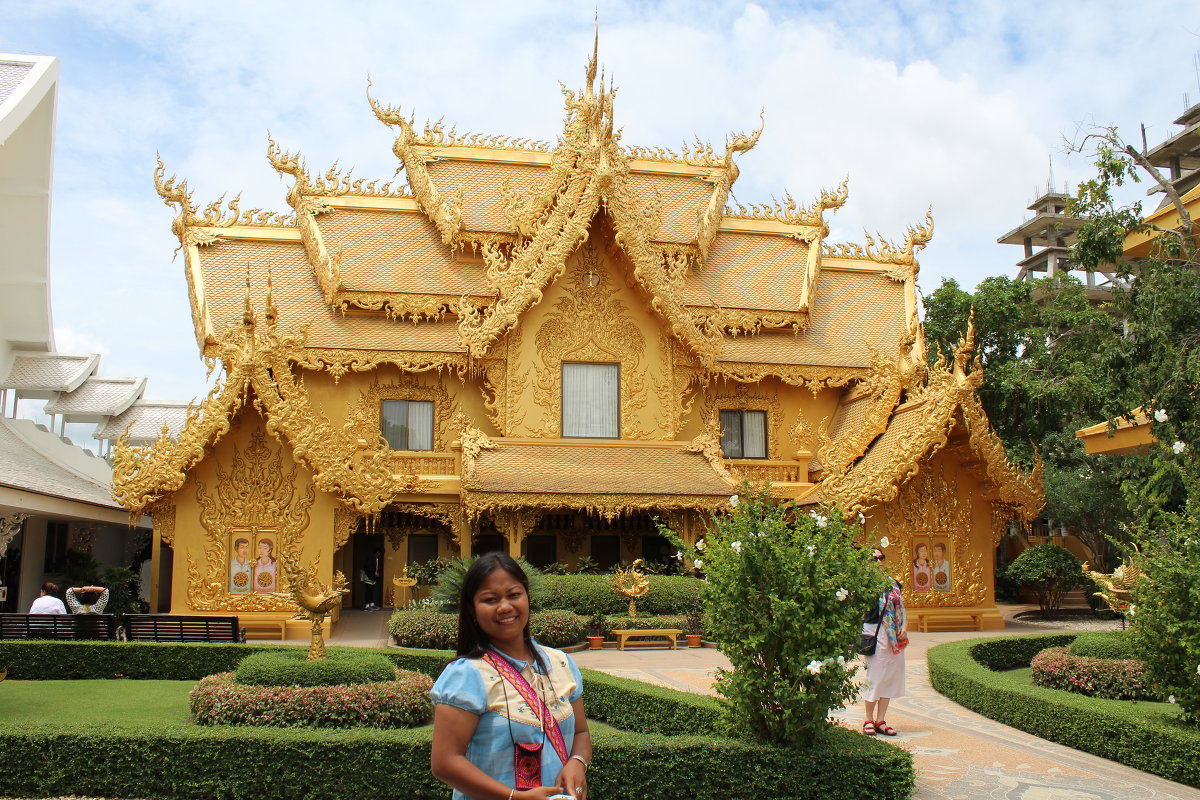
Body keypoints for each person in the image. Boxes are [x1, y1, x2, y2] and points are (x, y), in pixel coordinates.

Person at [430, 552, 592, 800]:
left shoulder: (560, 663)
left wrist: (577, 763)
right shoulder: (467, 675)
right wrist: (513, 797)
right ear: (472, 609)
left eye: (514, 595)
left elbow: (581, 732)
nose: (505, 606)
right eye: (490, 599)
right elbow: (445, 762)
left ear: (527, 597)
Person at [862, 547, 908, 737]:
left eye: (882, 558)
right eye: (875, 559)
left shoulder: (894, 584)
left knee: (890, 676)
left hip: (894, 636)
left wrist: (904, 626)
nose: (879, 562)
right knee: (876, 675)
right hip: (875, 633)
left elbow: (902, 608)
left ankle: (881, 719)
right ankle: (868, 718)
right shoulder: (864, 585)